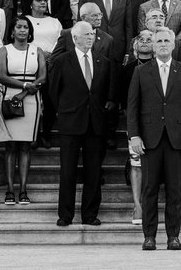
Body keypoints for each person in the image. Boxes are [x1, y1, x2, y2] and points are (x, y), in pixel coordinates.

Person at [128, 27, 181, 251]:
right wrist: (134, 136)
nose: (163, 44)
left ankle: (173, 236)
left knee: (175, 190)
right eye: (159, 41)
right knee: (149, 189)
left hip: (177, 139)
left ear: (174, 44)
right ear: (153, 45)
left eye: (167, 40)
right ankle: (149, 236)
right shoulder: (141, 72)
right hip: (149, 139)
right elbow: (133, 107)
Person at [46, 20, 116, 226]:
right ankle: (65, 215)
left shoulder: (103, 61)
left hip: (95, 123)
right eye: (86, 34)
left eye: (92, 34)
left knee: (93, 171)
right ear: (75, 38)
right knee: (67, 170)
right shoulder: (62, 61)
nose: (90, 37)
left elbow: (105, 93)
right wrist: (66, 111)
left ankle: (90, 214)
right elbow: (53, 92)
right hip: (70, 122)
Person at [0, 16, 46, 207]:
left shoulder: (37, 50)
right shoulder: (4, 50)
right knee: (10, 146)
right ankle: (10, 189)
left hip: (32, 98)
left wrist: (28, 89)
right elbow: (2, 76)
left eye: (26, 27)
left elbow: (42, 76)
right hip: (11, 97)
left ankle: (23, 189)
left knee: (25, 146)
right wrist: (25, 85)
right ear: (12, 31)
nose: (23, 30)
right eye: (19, 27)